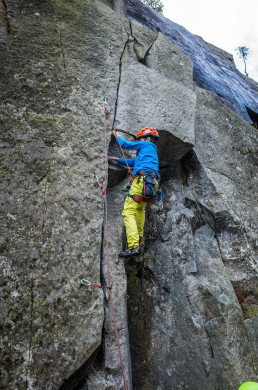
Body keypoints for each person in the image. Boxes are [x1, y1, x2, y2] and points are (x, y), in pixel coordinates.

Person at [108, 127, 160, 258]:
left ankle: (133, 246)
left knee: (128, 211)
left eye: (140, 139)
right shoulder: (151, 153)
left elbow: (126, 144)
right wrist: (114, 159)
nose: (139, 142)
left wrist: (116, 135)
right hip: (152, 184)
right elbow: (132, 162)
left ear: (148, 138)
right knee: (140, 210)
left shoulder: (146, 144)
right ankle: (140, 241)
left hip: (141, 181)